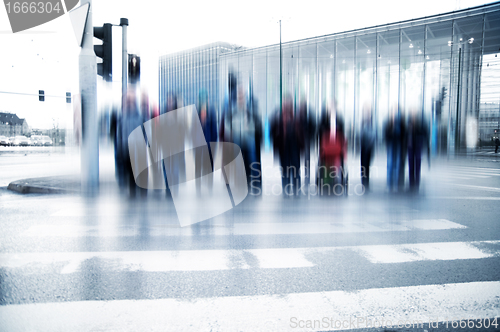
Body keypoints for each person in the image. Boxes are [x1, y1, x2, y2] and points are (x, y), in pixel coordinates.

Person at [271, 95, 303, 197]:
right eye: (286, 102)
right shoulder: (278, 115)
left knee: (295, 167)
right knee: (285, 167)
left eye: (289, 102)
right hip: (283, 145)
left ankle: (296, 188)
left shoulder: (297, 115)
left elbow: (304, 128)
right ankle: (286, 187)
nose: (287, 104)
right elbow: (273, 129)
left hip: (294, 145)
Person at [407, 111, 430, 192]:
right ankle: (411, 182)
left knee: (417, 163)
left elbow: (425, 133)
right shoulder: (408, 122)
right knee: (411, 164)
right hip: (410, 146)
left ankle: (416, 183)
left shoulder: (421, 123)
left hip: (418, 145)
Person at [360, 105, 376, 191]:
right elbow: (361, 134)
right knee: (363, 164)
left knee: (368, 164)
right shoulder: (363, 122)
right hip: (364, 145)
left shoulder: (372, 122)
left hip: (370, 146)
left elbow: (374, 133)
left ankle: (367, 181)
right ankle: (364, 181)